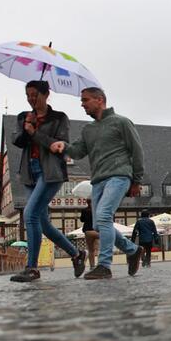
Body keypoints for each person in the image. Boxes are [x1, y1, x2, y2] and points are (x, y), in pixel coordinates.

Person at [51, 87, 143, 280]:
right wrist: (64, 146)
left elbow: (137, 151)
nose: (82, 104)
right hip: (98, 180)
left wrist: (137, 180)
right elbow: (77, 152)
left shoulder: (121, 122)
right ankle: (132, 250)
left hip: (119, 176)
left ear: (99, 100)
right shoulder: (88, 129)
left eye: (85, 100)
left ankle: (104, 265)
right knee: (100, 225)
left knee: (103, 217)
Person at [10, 81, 87, 283]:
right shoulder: (23, 117)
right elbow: (16, 141)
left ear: (46, 94)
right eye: (28, 95)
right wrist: (26, 129)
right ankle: (77, 254)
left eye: (35, 94)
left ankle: (32, 268)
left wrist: (36, 132)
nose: (31, 98)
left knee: (30, 214)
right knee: (42, 223)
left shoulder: (60, 118)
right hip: (29, 173)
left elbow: (58, 145)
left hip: (51, 172)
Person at [80, 199, 99, 270]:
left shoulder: (84, 210)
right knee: (97, 248)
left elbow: (82, 220)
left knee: (91, 250)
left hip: (87, 231)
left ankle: (92, 266)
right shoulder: (96, 210)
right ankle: (101, 264)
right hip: (95, 230)